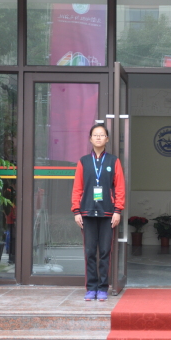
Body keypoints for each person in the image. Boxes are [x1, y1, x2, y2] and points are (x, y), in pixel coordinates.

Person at [71, 124, 125, 301]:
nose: (99, 138)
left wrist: (118, 210)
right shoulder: (84, 161)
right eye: (95, 135)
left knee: (104, 252)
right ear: (90, 139)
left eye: (102, 135)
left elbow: (120, 188)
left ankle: (103, 288)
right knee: (89, 252)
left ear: (107, 139)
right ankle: (91, 288)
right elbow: (77, 188)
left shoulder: (113, 161)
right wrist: (76, 211)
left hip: (108, 214)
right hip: (86, 213)